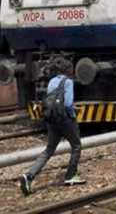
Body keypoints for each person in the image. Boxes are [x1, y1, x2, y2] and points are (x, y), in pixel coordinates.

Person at [19, 58, 84, 196]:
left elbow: (51, 100)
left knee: (49, 149)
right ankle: (70, 175)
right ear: (69, 70)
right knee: (76, 146)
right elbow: (67, 104)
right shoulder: (68, 82)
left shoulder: (52, 81)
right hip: (65, 120)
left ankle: (29, 175)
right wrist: (74, 111)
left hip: (51, 119)